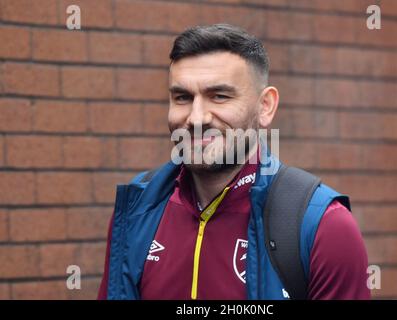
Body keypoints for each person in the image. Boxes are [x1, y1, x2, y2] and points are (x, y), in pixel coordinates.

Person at [98, 24, 370, 300]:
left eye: (219, 96)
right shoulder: (138, 207)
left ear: (265, 107)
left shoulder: (325, 226)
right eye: (182, 97)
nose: (196, 118)